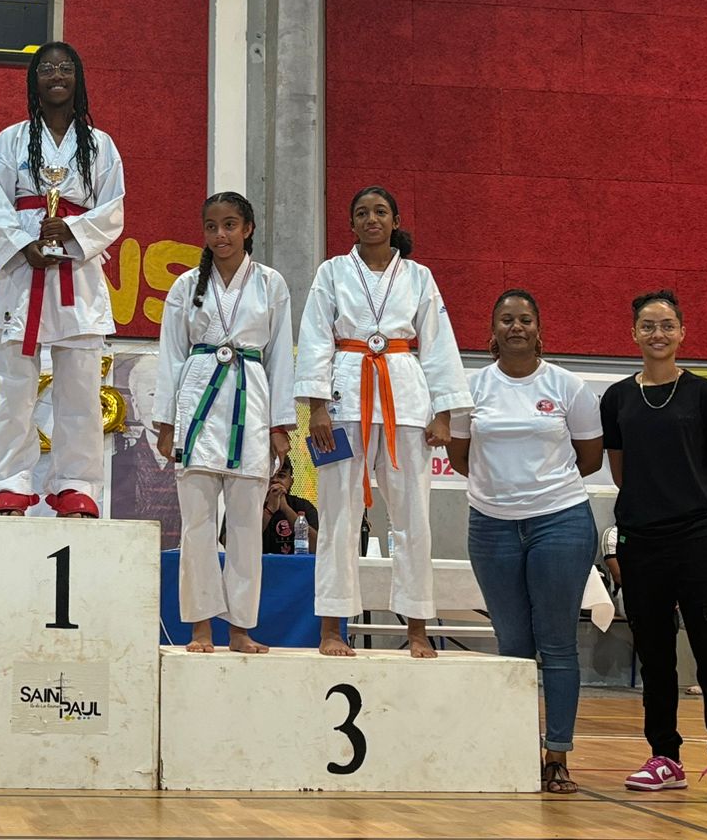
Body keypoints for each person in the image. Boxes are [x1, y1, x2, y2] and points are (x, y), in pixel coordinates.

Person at [293, 186, 471, 659]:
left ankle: (417, 628)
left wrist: (443, 414)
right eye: (362, 213)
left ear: (395, 221)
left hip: (405, 398)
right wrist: (316, 407)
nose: (371, 219)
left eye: (380, 212)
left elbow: (437, 342)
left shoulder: (418, 276)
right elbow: (315, 337)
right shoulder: (332, 271)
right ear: (350, 224)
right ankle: (332, 627)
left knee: (413, 518)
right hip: (344, 399)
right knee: (338, 516)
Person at [447, 290, 602, 794]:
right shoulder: (471, 389)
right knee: (512, 645)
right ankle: (515, 752)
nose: (516, 327)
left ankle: (557, 755)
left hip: (560, 522)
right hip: (491, 526)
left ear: (539, 328)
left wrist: (540, 490)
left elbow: (590, 458)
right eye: (507, 319)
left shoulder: (568, 386)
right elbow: (461, 458)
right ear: (493, 330)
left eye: (526, 320)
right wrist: (504, 493)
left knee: (557, 644)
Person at [603, 289, 707, 805]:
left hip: (698, 539)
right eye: (647, 325)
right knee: (656, 656)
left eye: (666, 325)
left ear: (682, 333)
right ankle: (665, 757)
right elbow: (620, 470)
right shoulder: (617, 398)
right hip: (642, 542)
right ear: (633, 334)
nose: (657, 333)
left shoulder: (704, 393)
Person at [0, 42, 125, 518]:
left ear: (78, 78)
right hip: (23, 272)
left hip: (77, 274)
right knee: (12, 387)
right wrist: (25, 245)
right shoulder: (9, 141)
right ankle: (9, 483)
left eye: (65, 68)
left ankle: (76, 484)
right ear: (33, 79)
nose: (56, 75)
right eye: (47, 68)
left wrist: (74, 232)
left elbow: (113, 210)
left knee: (80, 389)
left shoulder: (100, 145)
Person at [154, 193, 295, 653]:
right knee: (196, 525)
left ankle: (240, 629)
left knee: (245, 527)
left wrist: (279, 425)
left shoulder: (270, 283)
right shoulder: (186, 285)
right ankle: (199, 628)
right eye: (212, 226)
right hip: (198, 401)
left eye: (230, 225)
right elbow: (171, 355)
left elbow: (280, 357)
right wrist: (166, 422)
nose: (221, 235)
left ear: (248, 228)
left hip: (250, 401)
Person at [263, 456, 319, 554]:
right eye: (270, 475)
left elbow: (318, 547)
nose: (275, 480)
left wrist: (285, 508)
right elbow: (238, 543)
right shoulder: (250, 505)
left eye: (281, 476)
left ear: (291, 482)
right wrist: (270, 510)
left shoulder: (304, 506)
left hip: (298, 562)